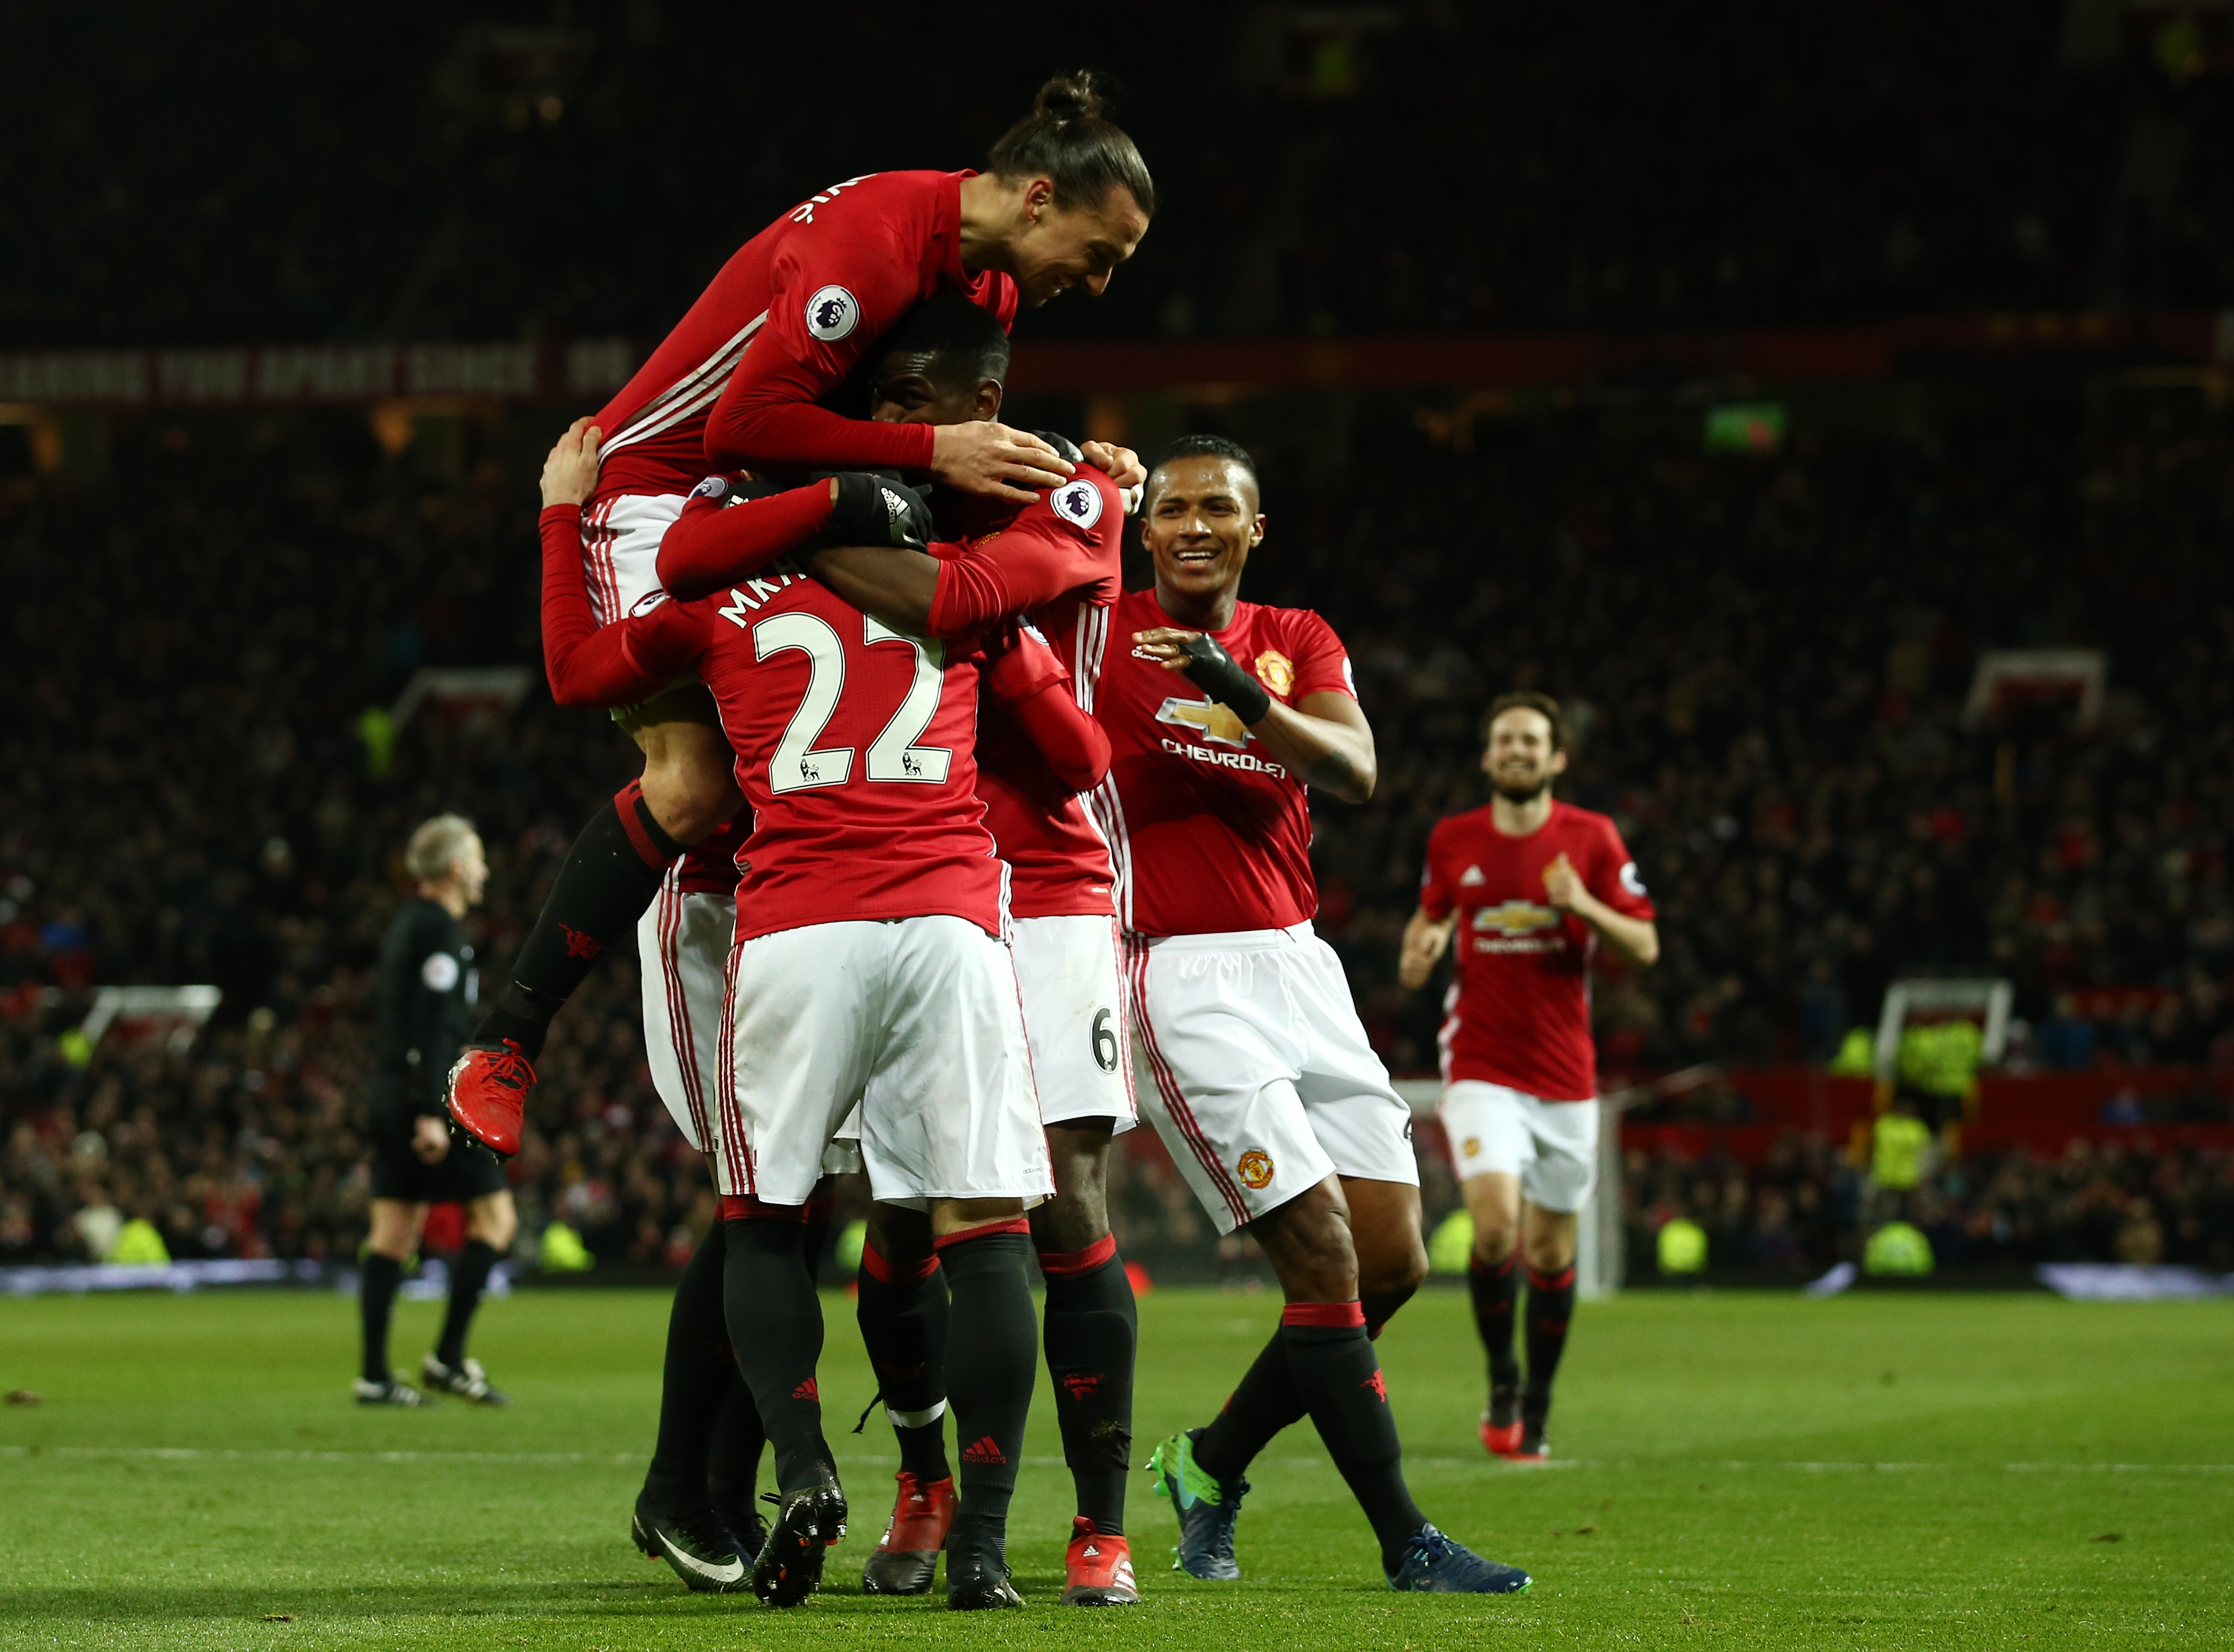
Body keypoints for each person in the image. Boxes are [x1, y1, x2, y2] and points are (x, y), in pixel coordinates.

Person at [444, 71, 1154, 1130]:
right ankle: (507, 1042)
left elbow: (946, 410)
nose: (1098, 287)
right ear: (1038, 199)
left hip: (796, 493)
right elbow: (741, 425)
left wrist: (1054, 459)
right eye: (1098, 257)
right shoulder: (870, 244)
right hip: (661, 490)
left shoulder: (992, 285)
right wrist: (931, 449)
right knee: (691, 788)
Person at [525, 398, 1087, 1613]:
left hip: (795, 926)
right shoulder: (961, 587)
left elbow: (576, 670)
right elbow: (1079, 759)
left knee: (764, 1217)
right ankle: (982, 1541)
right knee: (985, 1233)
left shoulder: (716, 604)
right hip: (948, 923)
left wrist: (561, 513)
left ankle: (805, 1463)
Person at [1055, 435, 1531, 1595]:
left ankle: (1209, 1464)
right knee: (1319, 1248)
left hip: (1298, 965)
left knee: (1391, 1259)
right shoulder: (1095, 632)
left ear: (1254, 528)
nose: (1195, 525)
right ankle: (1405, 1539)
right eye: (1171, 509)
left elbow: (1356, 766)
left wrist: (1226, 680)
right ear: (1142, 526)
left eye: (1219, 506)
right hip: (1176, 968)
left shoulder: (1294, 636)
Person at [1397, 692, 1658, 1461]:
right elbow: (1432, 916)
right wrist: (1420, 946)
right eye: (1504, 739)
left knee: (1549, 1253)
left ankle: (1537, 1403)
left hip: (1566, 1075)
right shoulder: (1453, 838)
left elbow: (1642, 946)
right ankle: (1503, 1379)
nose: (1517, 750)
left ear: (1556, 759)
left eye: (1531, 741)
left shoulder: (1592, 838)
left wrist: (1582, 904)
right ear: (1487, 756)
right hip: (1481, 1063)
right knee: (1496, 1225)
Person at [356, 815, 516, 1408]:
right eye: (476, 858)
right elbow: (428, 1026)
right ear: (454, 869)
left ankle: (374, 1375)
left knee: (394, 1233)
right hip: (426, 1100)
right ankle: (448, 1358)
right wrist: (430, 1110)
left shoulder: (410, 925)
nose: (485, 870)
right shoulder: (438, 932)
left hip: (391, 1091)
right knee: (496, 1223)